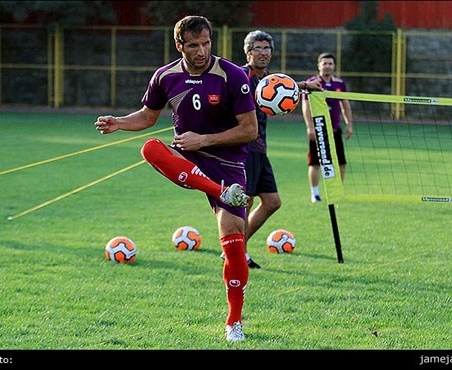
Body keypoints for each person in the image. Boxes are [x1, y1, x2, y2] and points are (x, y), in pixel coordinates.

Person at [94, 15, 258, 343]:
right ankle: (221, 192)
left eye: (207, 43)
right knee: (151, 148)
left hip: (227, 161)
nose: (202, 51)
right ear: (179, 45)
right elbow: (147, 117)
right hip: (187, 157)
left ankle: (233, 322)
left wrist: (204, 140)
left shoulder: (232, 75)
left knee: (234, 240)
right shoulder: (165, 76)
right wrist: (119, 122)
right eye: (194, 45)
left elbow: (249, 129)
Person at [220, 30, 321, 269]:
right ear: (248, 52)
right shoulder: (241, 75)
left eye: (267, 48)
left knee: (272, 202)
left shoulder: (266, 78)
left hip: (259, 150)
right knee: (245, 202)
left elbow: (280, 86)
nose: (263, 52)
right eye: (258, 48)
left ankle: (237, 249)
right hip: (243, 149)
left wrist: (305, 86)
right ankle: (235, 252)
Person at [302, 52, 353, 202]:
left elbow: (345, 105)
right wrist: (310, 127)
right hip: (318, 130)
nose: (327, 66)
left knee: (341, 163)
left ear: (334, 66)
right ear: (319, 65)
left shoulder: (339, 83)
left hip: (335, 129)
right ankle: (315, 194)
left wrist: (349, 124)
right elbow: (306, 105)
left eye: (330, 63)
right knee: (315, 163)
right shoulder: (312, 83)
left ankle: (338, 192)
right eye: (324, 63)